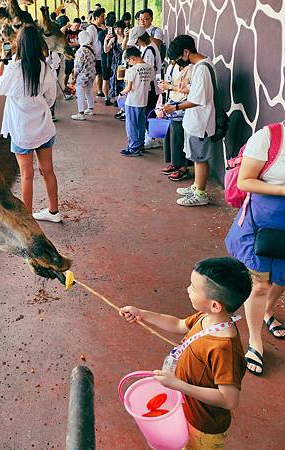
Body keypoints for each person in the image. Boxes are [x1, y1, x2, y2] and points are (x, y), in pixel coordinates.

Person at [119, 257, 252, 450]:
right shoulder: (207, 317)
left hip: (203, 426)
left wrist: (178, 385)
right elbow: (178, 324)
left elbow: (229, 399)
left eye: (193, 287)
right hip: (187, 408)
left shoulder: (224, 349)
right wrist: (142, 313)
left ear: (215, 305)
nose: (188, 289)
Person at [225, 120, 285, 375]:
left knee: (281, 280)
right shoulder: (269, 137)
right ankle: (255, 341)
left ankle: (268, 313)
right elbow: (245, 181)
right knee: (260, 283)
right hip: (264, 220)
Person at [0, 25, 62, 223]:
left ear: (20, 45)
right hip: (43, 127)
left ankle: (28, 217)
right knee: (47, 170)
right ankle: (54, 211)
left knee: (26, 175)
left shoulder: (14, 69)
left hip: (21, 130)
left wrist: (2, 63)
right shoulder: (45, 68)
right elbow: (50, 98)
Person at [163, 35, 218, 206]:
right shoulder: (202, 65)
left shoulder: (201, 69)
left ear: (186, 52)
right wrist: (187, 87)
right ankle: (196, 187)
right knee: (196, 157)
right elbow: (198, 92)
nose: (178, 63)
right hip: (196, 121)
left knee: (200, 159)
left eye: (178, 58)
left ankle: (200, 193)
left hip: (201, 122)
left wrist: (175, 108)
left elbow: (199, 99)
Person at [127, 26, 162, 149]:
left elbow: (146, 72)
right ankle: (149, 137)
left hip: (150, 87)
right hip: (150, 86)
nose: (136, 44)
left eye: (136, 41)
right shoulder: (149, 47)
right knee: (147, 112)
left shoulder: (149, 51)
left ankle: (151, 138)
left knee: (147, 113)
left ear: (141, 39)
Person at [158, 60, 192, 181]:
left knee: (179, 137)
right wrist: (165, 86)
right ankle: (175, 163)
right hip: (171, 102)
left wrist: (170, 87)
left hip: (182, 105)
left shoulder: (191, 68)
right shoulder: (172, 67)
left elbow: (191, 89)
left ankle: (183, 167)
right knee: (171, 136)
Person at [119, 46, 153, 157]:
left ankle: (133, 147)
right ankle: (140, 145)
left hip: (132, 101)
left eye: (128, 60)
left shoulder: (131, 70)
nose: (128, 63)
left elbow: (128, 88)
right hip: (144, 100)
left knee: (131, 125)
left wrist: (120, 94)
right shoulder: (150, 68)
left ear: (132, 58)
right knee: (141, 124)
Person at [71, 30, 96, 121]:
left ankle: (80, 113)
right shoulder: (91, 48)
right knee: (88, 92)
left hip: (83, 76)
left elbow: (77, 66)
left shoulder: (80, 51)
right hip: (91, 75)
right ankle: (90, 108)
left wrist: (74, 77)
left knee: (80, 94)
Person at [85, 8, 106, 98]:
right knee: (97, 74)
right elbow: (89, 42)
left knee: (100, 73)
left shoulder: (102, 27)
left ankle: (100, 90)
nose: (104, 18)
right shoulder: (91, 28)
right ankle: (97, 91)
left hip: (101, 55)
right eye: (102, 16)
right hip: (95, 55)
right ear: (96, 18)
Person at [61, 18, 82, 94]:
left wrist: (69, 44)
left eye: (78, 26)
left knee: (76, 72)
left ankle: (72, 88)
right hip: (68, 55)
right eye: (76, 25)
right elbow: (61, 32)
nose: (77, 27)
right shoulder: (67, 31)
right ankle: (65, 86)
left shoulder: (80, 32)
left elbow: (80, 42)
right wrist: (66, 26)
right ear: (73, 24)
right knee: (67, 73)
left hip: (77, 56)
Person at [100, 13, 117, 106]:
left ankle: (107, 98)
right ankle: (112, 98)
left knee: (106, 79)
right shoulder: (116, 33)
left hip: (106, 59)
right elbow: (105, 49)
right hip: (110, 59)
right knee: (111, 79)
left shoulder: (102, 33)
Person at [46, 50, 61, 121]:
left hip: (51, 77)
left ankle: (51, 114)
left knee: (51, 95)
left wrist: (49, 66)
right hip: (42, 77)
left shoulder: (52, 52)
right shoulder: (37, 50)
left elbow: (57, 64)